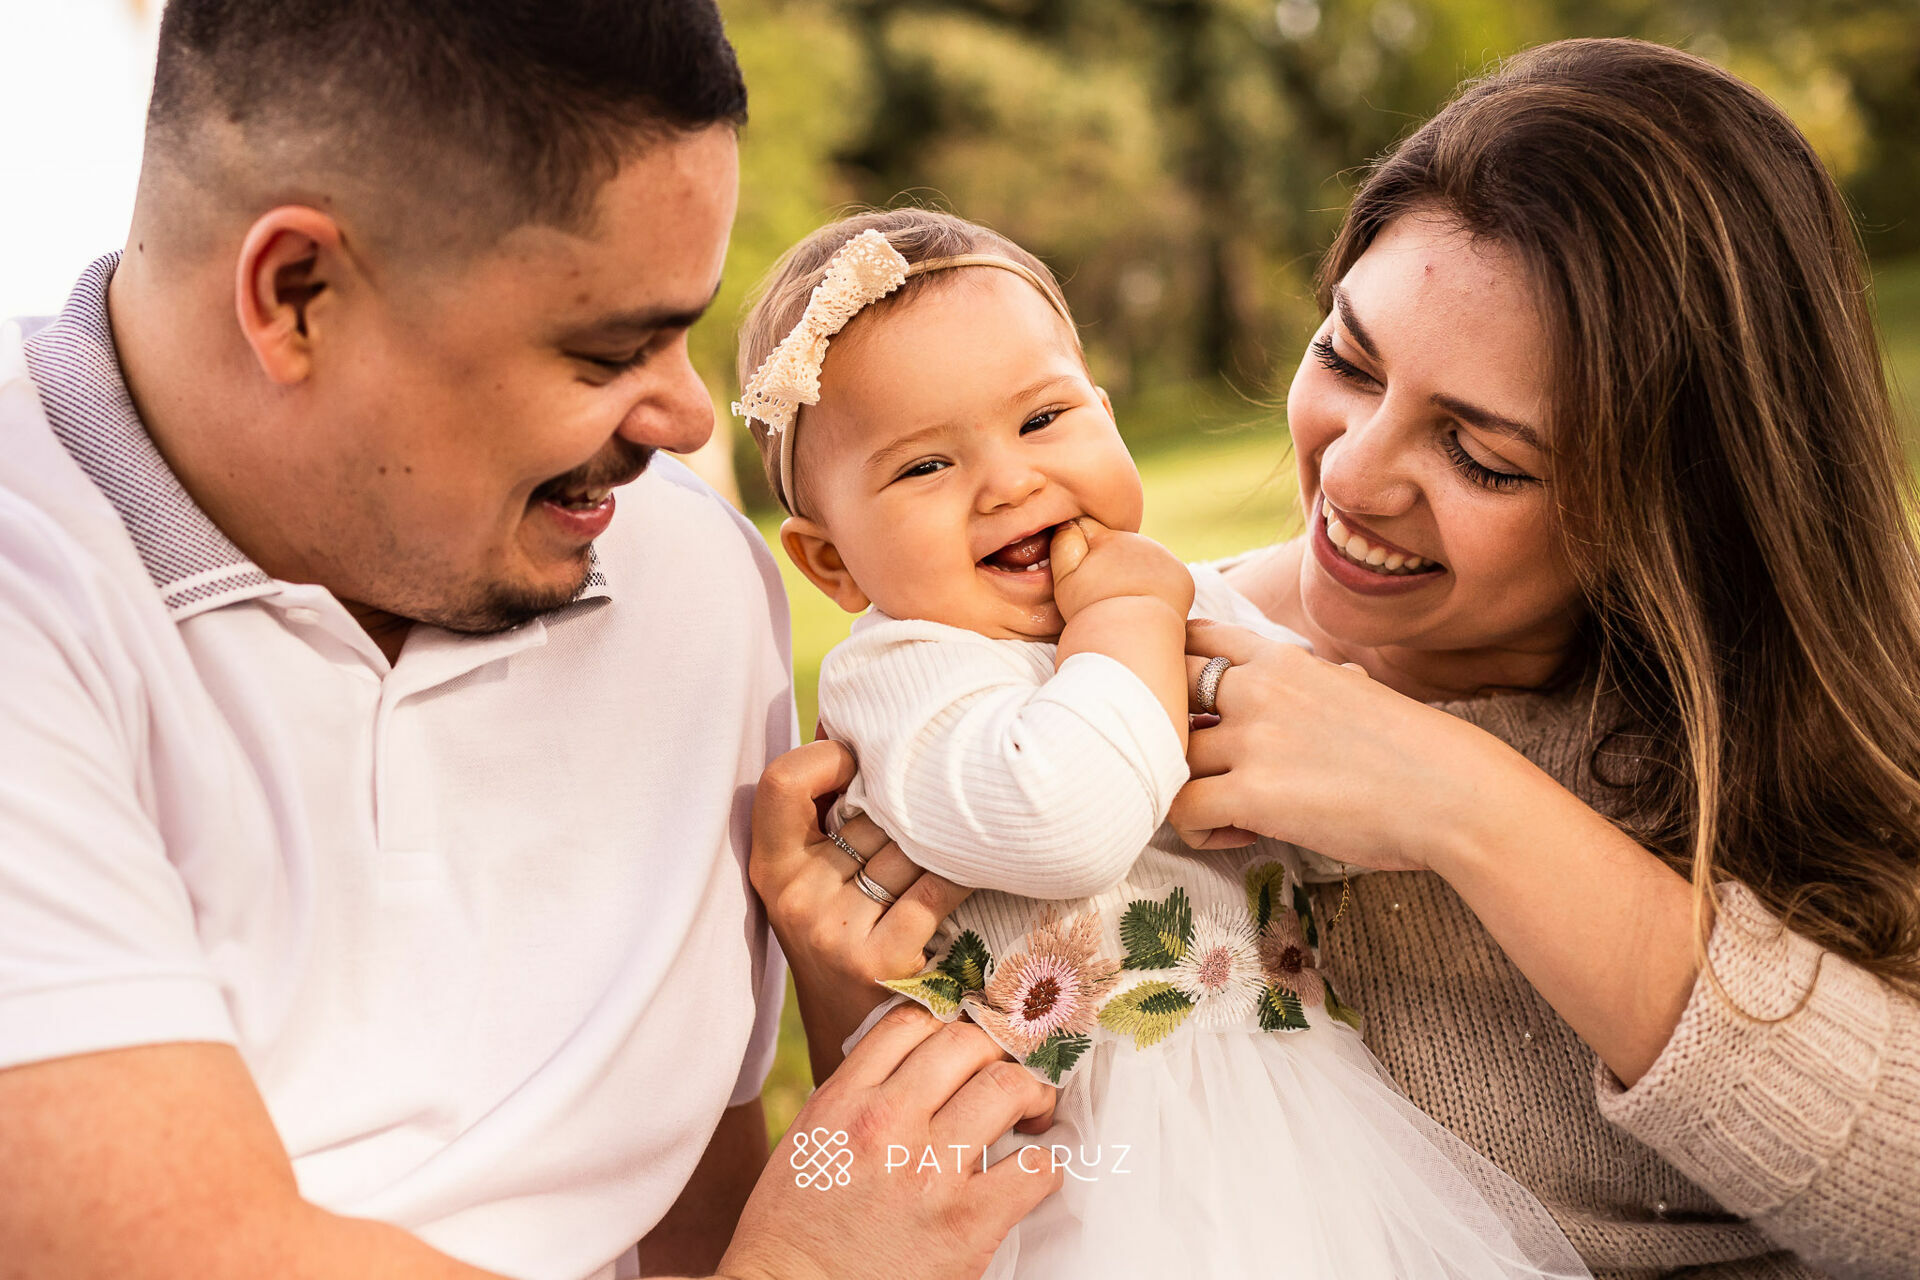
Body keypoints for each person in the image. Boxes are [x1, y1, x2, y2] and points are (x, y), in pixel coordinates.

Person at [750, 39, 1920, 1280]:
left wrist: (1464, 803)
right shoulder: (1120, 679)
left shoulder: (1806, 727)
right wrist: (852, 987)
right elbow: (953, 1195)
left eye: (1483, 455)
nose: (1350, 474)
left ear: (1678, 500)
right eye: (1348, 360)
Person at [0, 4, 1065, 1279]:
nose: (681, 413)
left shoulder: (685, 579)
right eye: (609, 349)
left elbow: (688, 1194)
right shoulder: (35, 588)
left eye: (684, 329)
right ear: (295, 295)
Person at [733, 207, 1589, 1279]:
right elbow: (1063, 821)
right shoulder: (909, 672)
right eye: (922, 468)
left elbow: (1347, 796)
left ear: (1105, 410)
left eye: (1043, 419)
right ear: (833, 564)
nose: (1006, 481)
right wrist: (1128, 621)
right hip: (1085, 1164)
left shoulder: (1183, 598)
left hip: (1299, 1119)